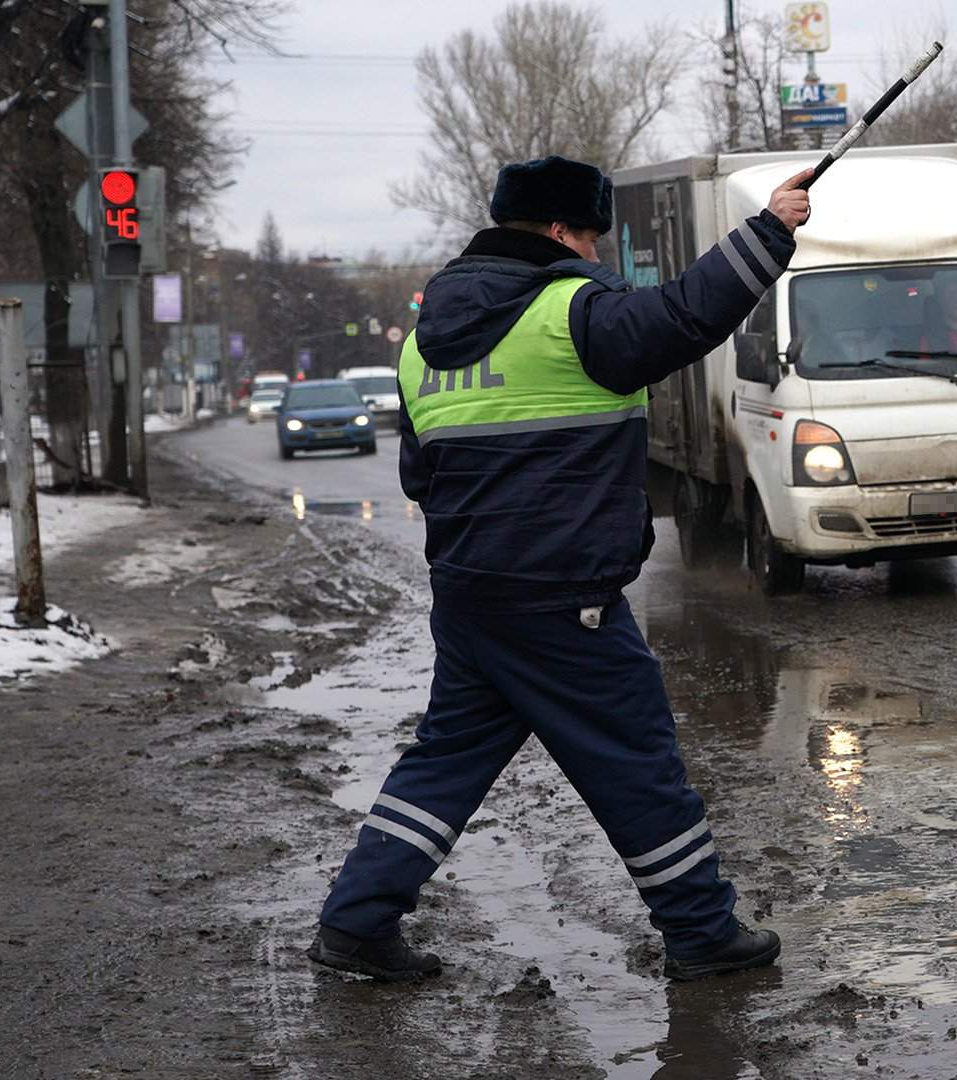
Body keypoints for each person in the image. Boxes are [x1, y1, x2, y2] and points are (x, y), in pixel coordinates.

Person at [306, 155, 812, 983]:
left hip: (471, 596)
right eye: (591, 236)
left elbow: (420, 477)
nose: (598, 256)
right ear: (556, 231)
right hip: (559, 598)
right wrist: (767, 232)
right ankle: (701, 932)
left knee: (444, 762)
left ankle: (354, 925)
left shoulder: (421, 345)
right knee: (636, 758)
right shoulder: (571, 311)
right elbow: (682, 318)